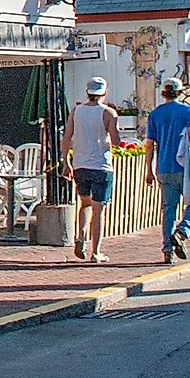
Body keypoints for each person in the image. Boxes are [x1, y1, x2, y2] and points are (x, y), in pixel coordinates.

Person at [144, 77, 190, 264]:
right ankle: (183, 231)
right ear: (180, 92)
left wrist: (149, 169)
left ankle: (167, 250)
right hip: (185, 165)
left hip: (163, 166)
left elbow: (149, 144)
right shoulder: (189, 112)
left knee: (169, 209)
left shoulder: (155, 115)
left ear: (164, 93)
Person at [66, 76, 117, 263]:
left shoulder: (76, 111)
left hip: (80, 164)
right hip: (101, 166)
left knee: (85, 203)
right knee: (99, 210)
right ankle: (96, 252)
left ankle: (81, 237)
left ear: (88, 93)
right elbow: (117, 140)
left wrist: (66, 161)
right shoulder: (108, 113)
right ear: (104, 93)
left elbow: (67, 137)